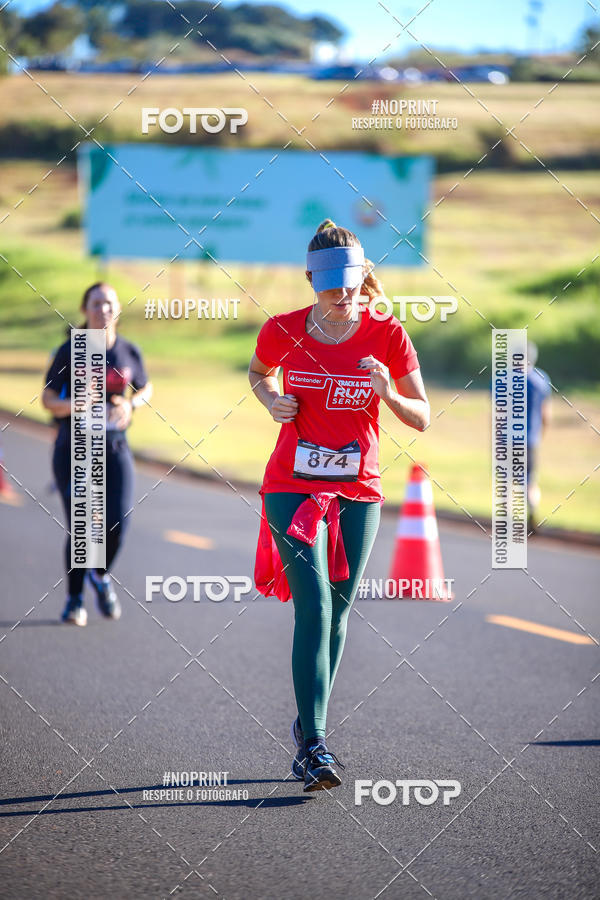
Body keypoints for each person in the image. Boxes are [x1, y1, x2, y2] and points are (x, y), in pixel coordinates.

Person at [249, 219, 429, 792]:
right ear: (310, 280)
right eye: (329, 287)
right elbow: (257, 374)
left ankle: (310, 718)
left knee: (342, 610)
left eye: (349, 285)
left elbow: (422, 416)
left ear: (362, 278)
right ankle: (315, 746)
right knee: (316, 606)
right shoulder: (281, 331)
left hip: (359, 487)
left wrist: (388, 393)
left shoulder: (387, 334)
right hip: (292, 484)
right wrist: (273, 399)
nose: (341, 296)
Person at [41, 282, 153, 626]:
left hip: (115, 446)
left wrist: (131, 404)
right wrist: (76, 404)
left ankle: (99, 576)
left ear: (117, 309)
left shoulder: (129, 351)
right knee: (84, 528)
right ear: (84, 309)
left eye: (108, 303)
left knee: (118, 523)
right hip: (74, 450)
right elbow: (47, 401)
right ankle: (74, 601)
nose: (102, 309)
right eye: (95, 303)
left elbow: (146, 388)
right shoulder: (70, 351)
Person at [526, 341, 551, 533]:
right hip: (530, 439)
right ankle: (532, 511)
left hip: (508, 440)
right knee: (530, 480)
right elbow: (546, 416)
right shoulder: (541, 379)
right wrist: (540, 435)